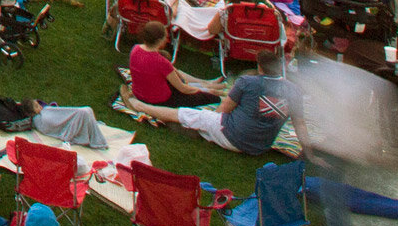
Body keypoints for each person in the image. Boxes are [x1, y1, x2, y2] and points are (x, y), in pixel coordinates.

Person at [123, 51, 291, 153]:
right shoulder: (294, 90)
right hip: (260, 146)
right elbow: (301, 125)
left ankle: (139, 105)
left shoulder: (247, 82)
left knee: (184, 113)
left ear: (260, 67)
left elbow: (223, 109)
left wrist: (209, 119)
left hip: (235, 138)